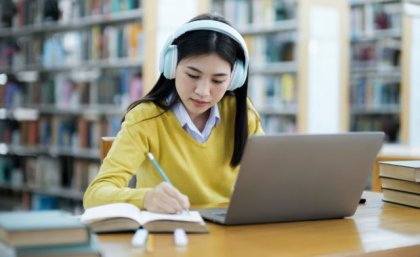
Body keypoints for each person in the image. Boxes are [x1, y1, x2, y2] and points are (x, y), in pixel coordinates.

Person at [83, 13, 264, 214]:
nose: (203, 91)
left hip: (231, 234)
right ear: (171, 66)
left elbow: (269, 182)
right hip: (170, 235)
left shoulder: (242, 113)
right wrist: (146, 198)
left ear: (235, 78)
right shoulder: (145, 118)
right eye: (193, 75)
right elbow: (94, 195)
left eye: (218, 80)